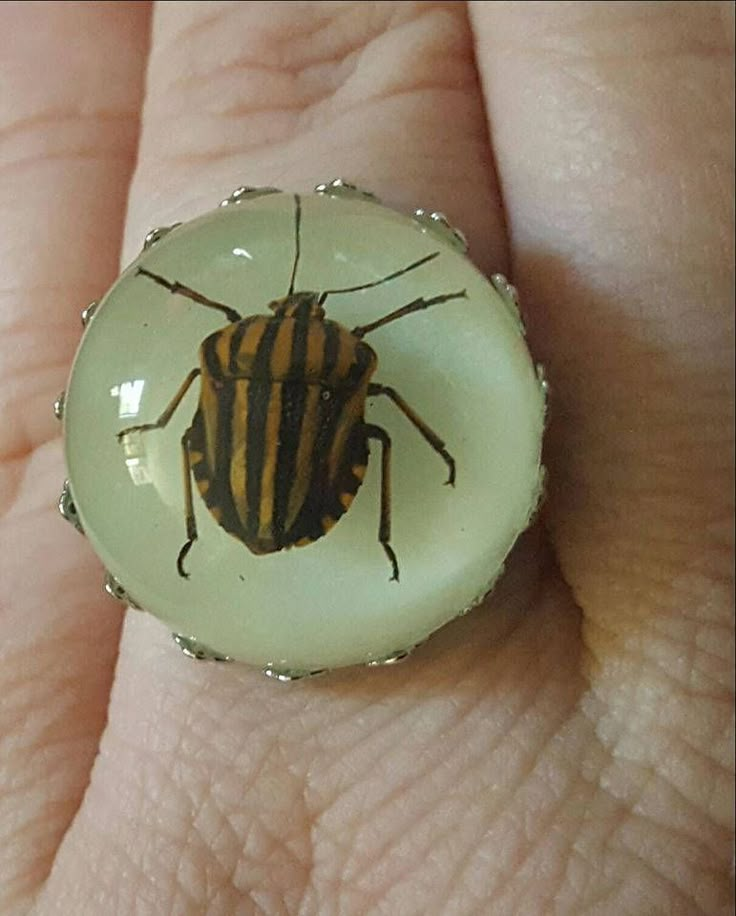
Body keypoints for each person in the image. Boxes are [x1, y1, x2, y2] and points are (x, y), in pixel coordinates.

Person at [1, 2, 732, 913]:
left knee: (253, 437)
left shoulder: (228, 351)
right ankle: (356, 541)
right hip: (302, 493)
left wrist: (154, 458)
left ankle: (200, 538)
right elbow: (383, 426)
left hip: (236, 494)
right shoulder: (335, 363)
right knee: (377, 433)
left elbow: (194, 410)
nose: (305, 315)